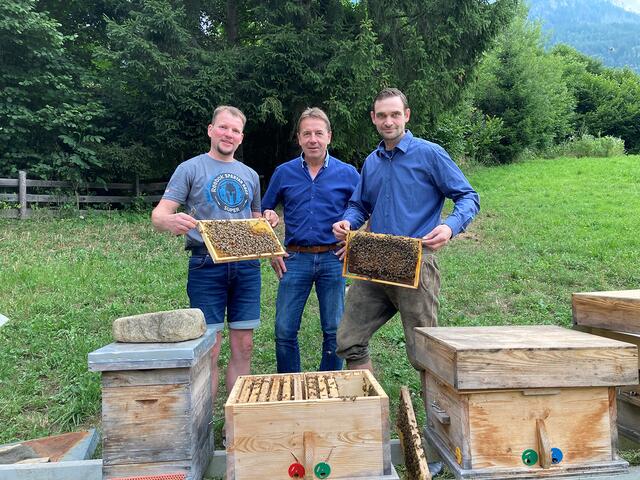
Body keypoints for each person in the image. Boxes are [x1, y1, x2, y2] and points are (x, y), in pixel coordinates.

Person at [332, 88, 480, 372]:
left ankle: (436, 415)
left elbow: (468, 196)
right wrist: (348, 221)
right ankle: (367, 411)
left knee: (425, 352)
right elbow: (359, 204)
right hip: (373, 259)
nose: (389, 121)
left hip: (416, 259)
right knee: (350, 340)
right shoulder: (372, 161)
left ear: (406, 116)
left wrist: (449, 227)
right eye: (383, 116)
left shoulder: (430, 154)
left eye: (395, 114)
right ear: (374, 119)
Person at [151, 105, 278, 402]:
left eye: (235, 130)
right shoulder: (190, 168)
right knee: (211, 348)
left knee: (244, 345)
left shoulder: (249, 175)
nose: (228, 134)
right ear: (210, 130)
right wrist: (169, 221)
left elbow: (256, 217)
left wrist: (269, 219)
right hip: (206, 264)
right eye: (223, 127)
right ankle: (203, 424)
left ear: (241, 137)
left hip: (246, 266)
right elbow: (159, 214)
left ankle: (237, 417)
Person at [262, 107, 360, 373]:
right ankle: (289, 386)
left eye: (319, 133)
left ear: (329, 136)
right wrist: (272, 248)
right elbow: (264, 213)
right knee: (284, 329)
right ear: (299, 138)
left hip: (332, 258)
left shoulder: (348, 173)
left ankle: (327, 385)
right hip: (294, 258)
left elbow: (364, 210)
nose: (313, 139)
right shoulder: (284, 172)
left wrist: (354, 242)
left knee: (333, 329)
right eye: (307, 134)